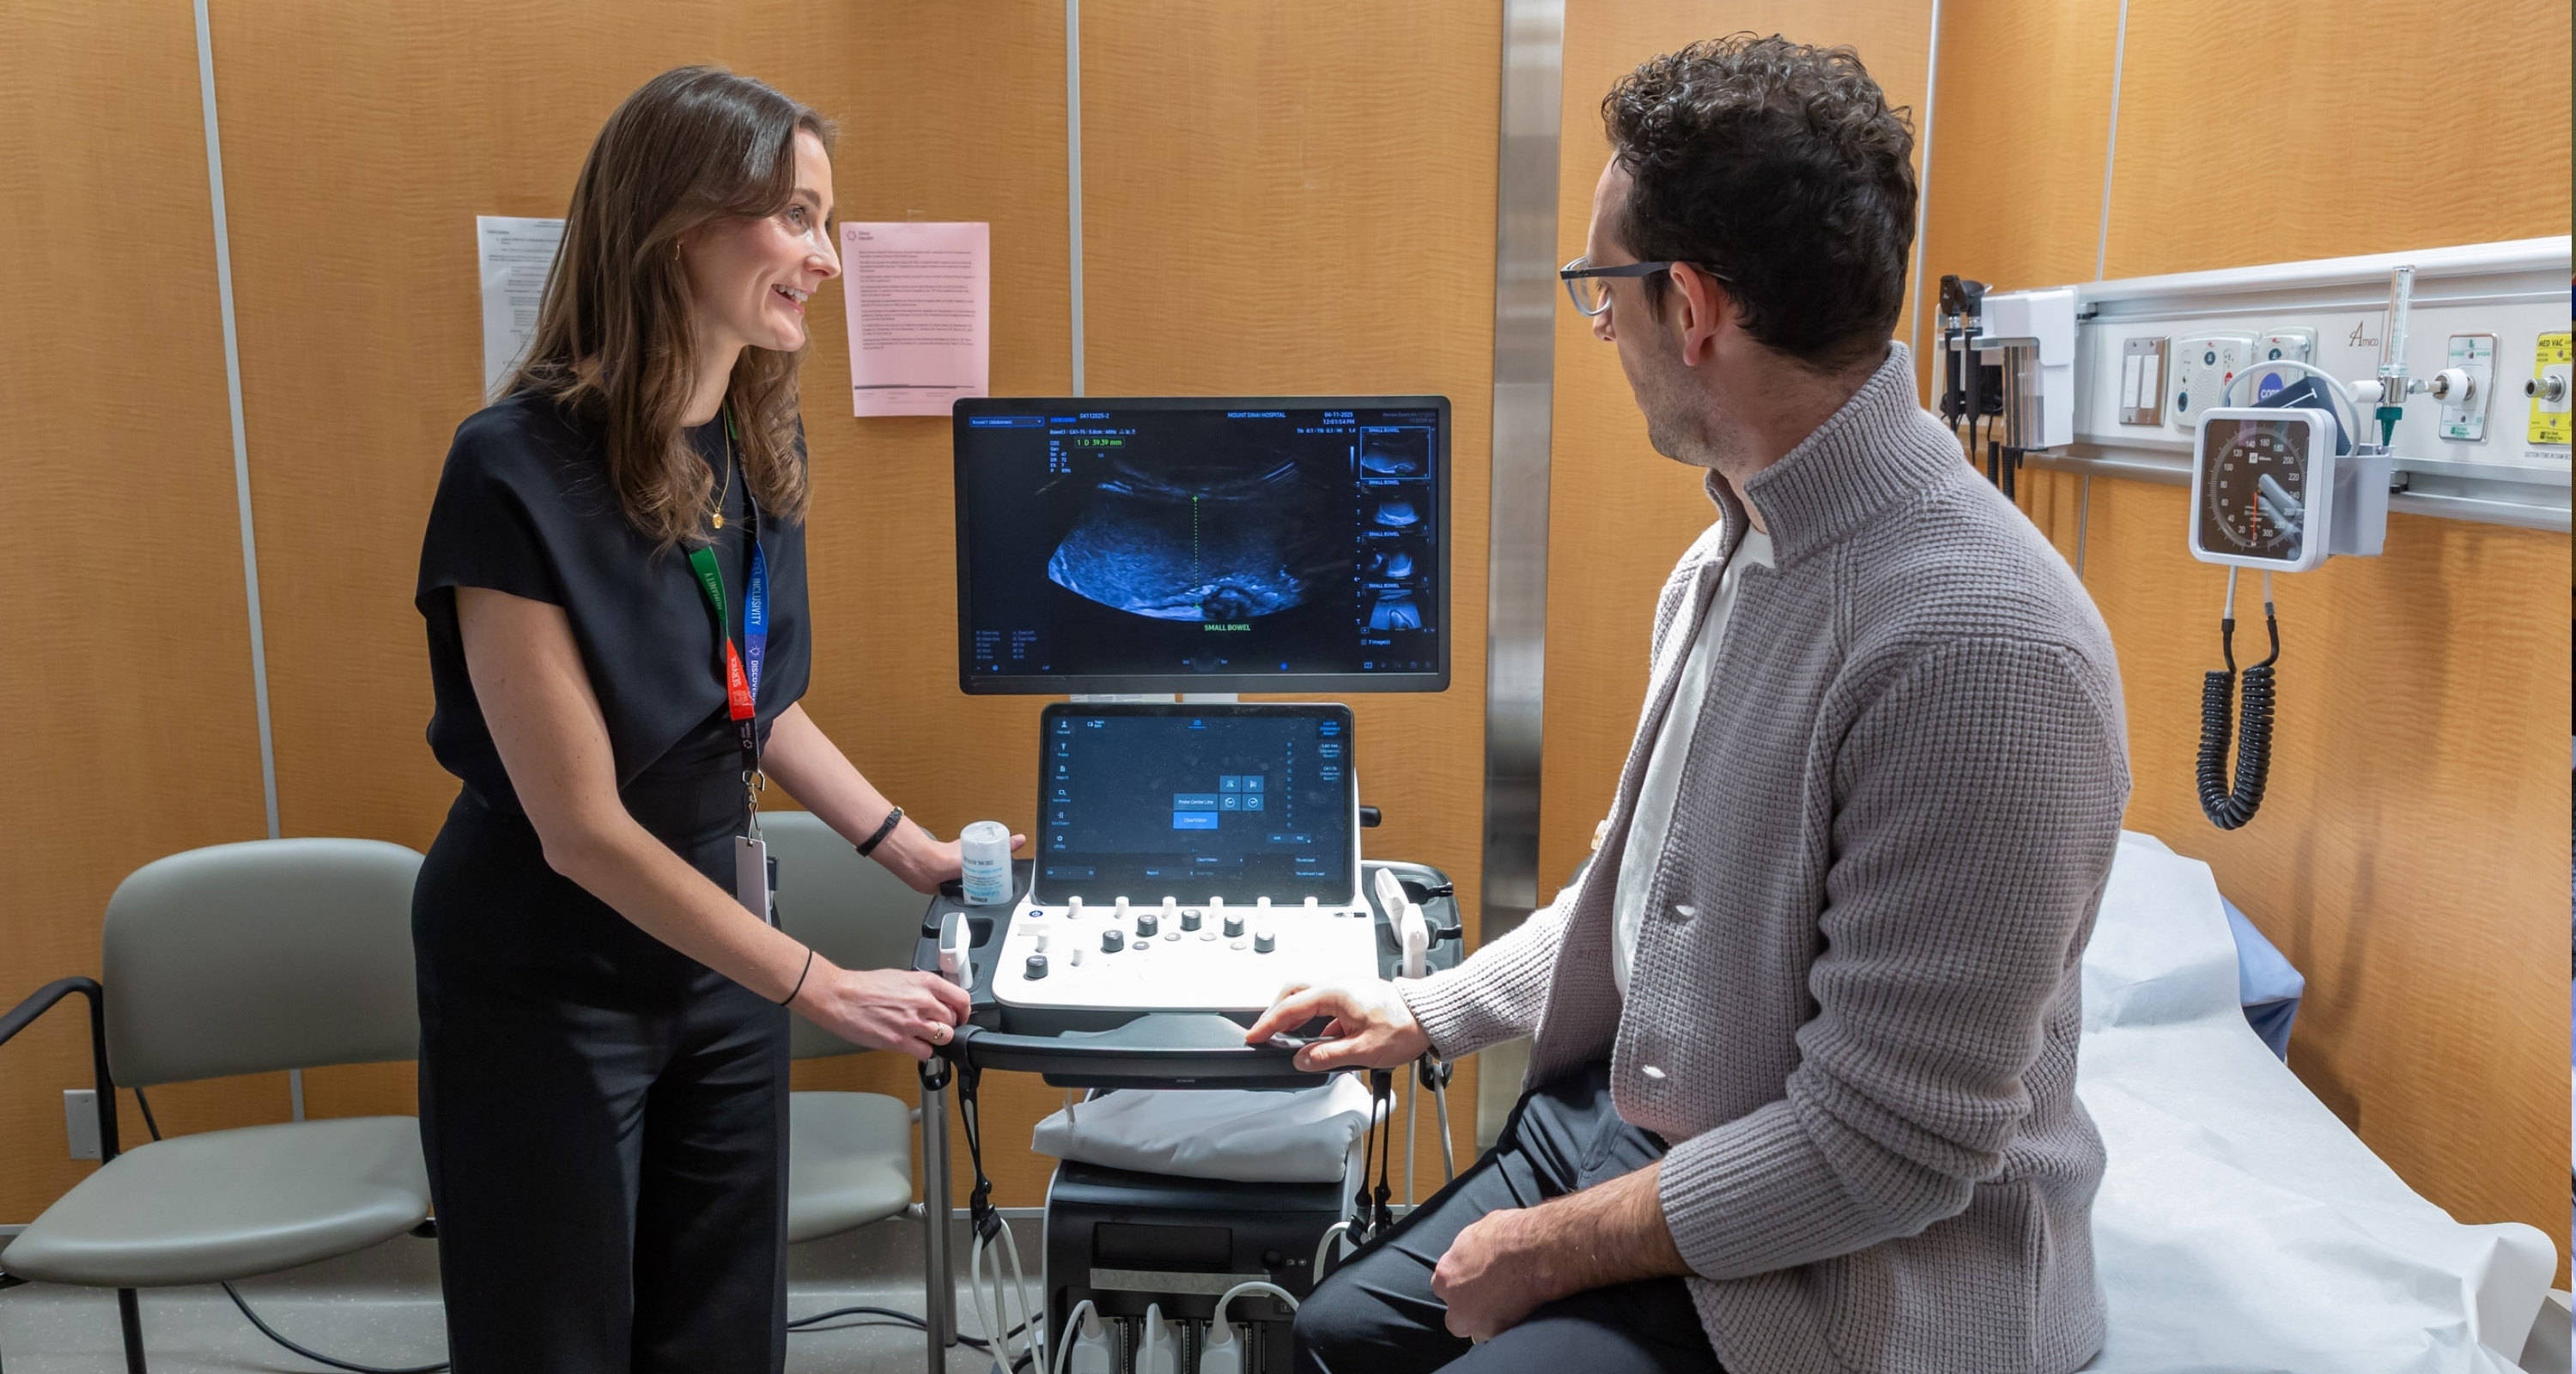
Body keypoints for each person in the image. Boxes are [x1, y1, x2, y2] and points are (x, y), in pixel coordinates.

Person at [1252, 34, 2128, 1374]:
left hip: (1845, 1270)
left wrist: (1547, 1248)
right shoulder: (1735, 551)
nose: (1601, 330)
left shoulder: (1982, 654)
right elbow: (1647, 899)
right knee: (1324, 1339)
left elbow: (1885, 1152)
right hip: (1650, 1132)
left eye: (1607, 293)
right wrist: (1429, 1009)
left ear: (1695, 308)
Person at [410, 67, 1012, 1373]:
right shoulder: (509, 468)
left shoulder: (748, 440)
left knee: (723, 1329)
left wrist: (899, 843)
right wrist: (823, 985)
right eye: (797, 218)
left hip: (723, 945)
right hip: (548, 964)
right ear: (678, 222)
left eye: (829, 222)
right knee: (552, 1339)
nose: (827, 258)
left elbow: (754, 701)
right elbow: (577, 830)